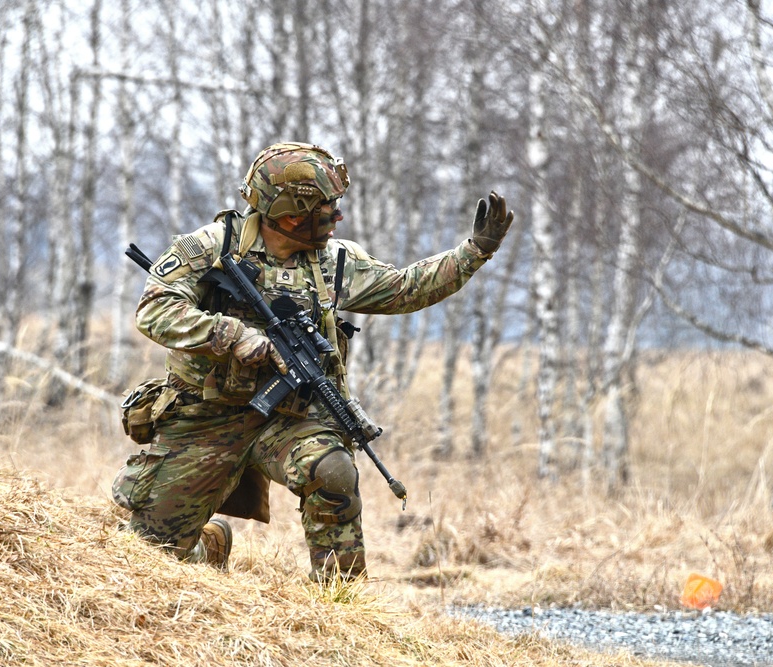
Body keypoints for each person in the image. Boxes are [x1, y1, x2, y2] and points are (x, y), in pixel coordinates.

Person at [111, 141, 514, 580]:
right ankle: (209, 546)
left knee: (334, 471)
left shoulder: (335, 262)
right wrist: (234, 335)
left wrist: (475, 251)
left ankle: (339, 603)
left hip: (290, 417)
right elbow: (154, 310)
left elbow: (405, 288)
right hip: (205, 416)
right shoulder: (210, 247)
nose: (336, 217)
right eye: (326, 209)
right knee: (148, 556)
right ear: (289, 213)